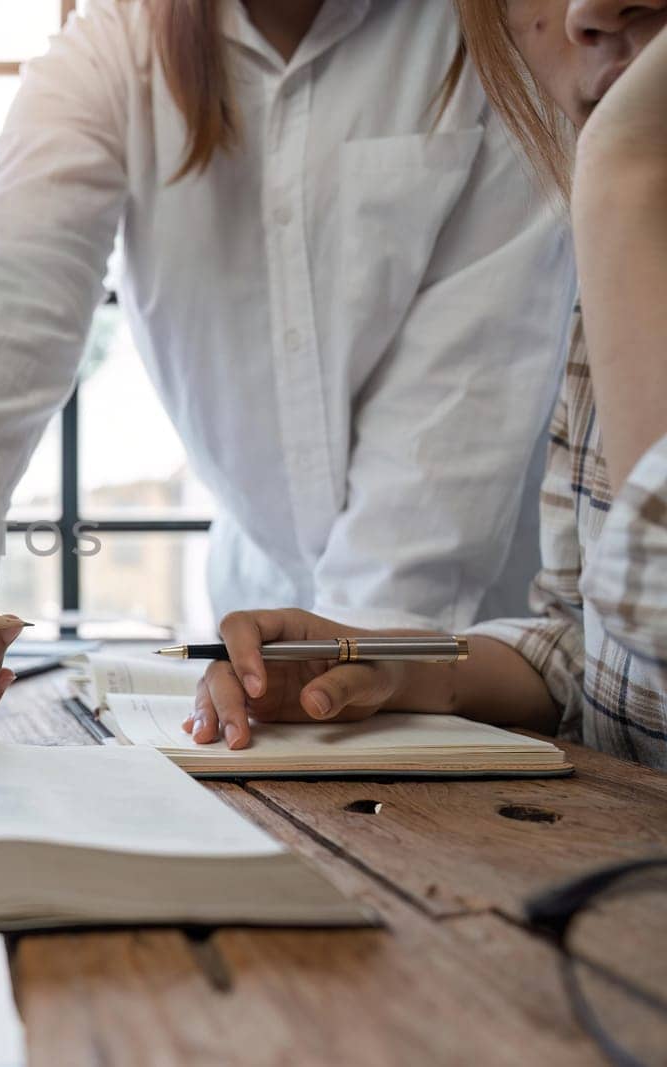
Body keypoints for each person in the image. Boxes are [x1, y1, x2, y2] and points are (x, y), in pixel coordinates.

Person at [0, 0, 575, 769]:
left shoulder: (499, 35)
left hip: (494, 667)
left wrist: (333, 663)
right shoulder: (116, 45)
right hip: (257, 664)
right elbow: (10, 284)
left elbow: (458, 407)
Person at [188, 0, 667, 770]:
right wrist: (395, 665)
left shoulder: (616, 204)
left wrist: (621, 173)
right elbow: (589, 649)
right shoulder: (603, 288)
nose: (590, 11)